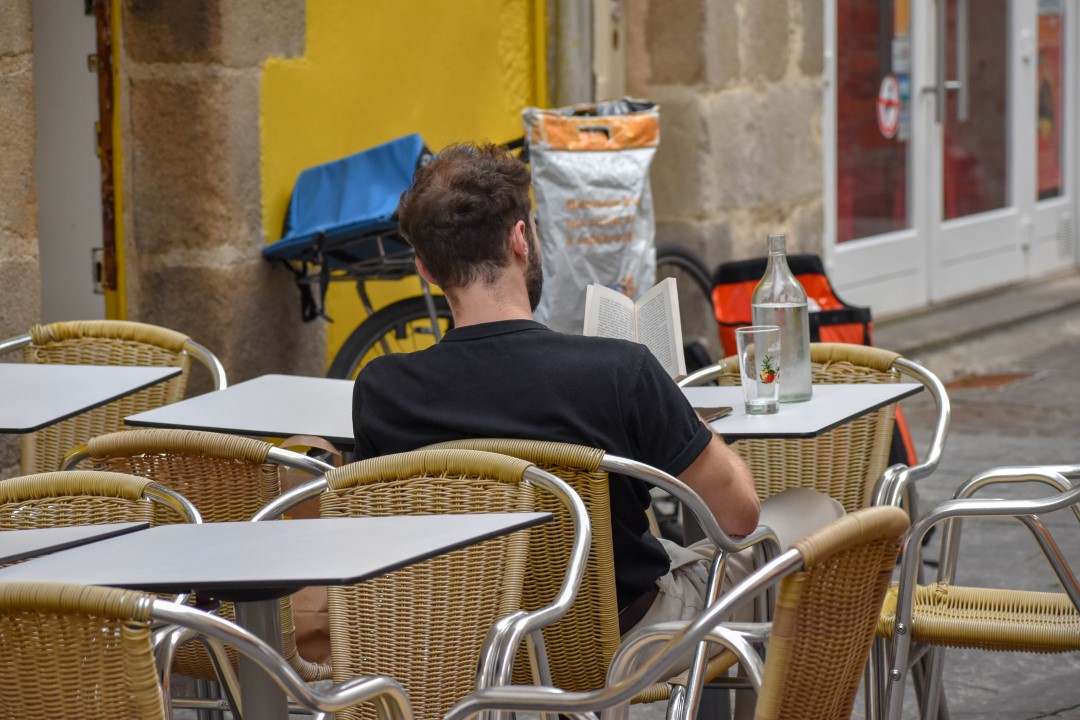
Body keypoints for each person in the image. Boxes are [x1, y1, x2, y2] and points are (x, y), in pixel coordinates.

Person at [352, 142, 842, 635]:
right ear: (520, 239)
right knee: (820, 514)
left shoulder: (382, 392)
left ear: (426, 268)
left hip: (481, 648)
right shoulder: (617, 370)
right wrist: (679, 415)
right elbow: (738, 517)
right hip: (632, 638)